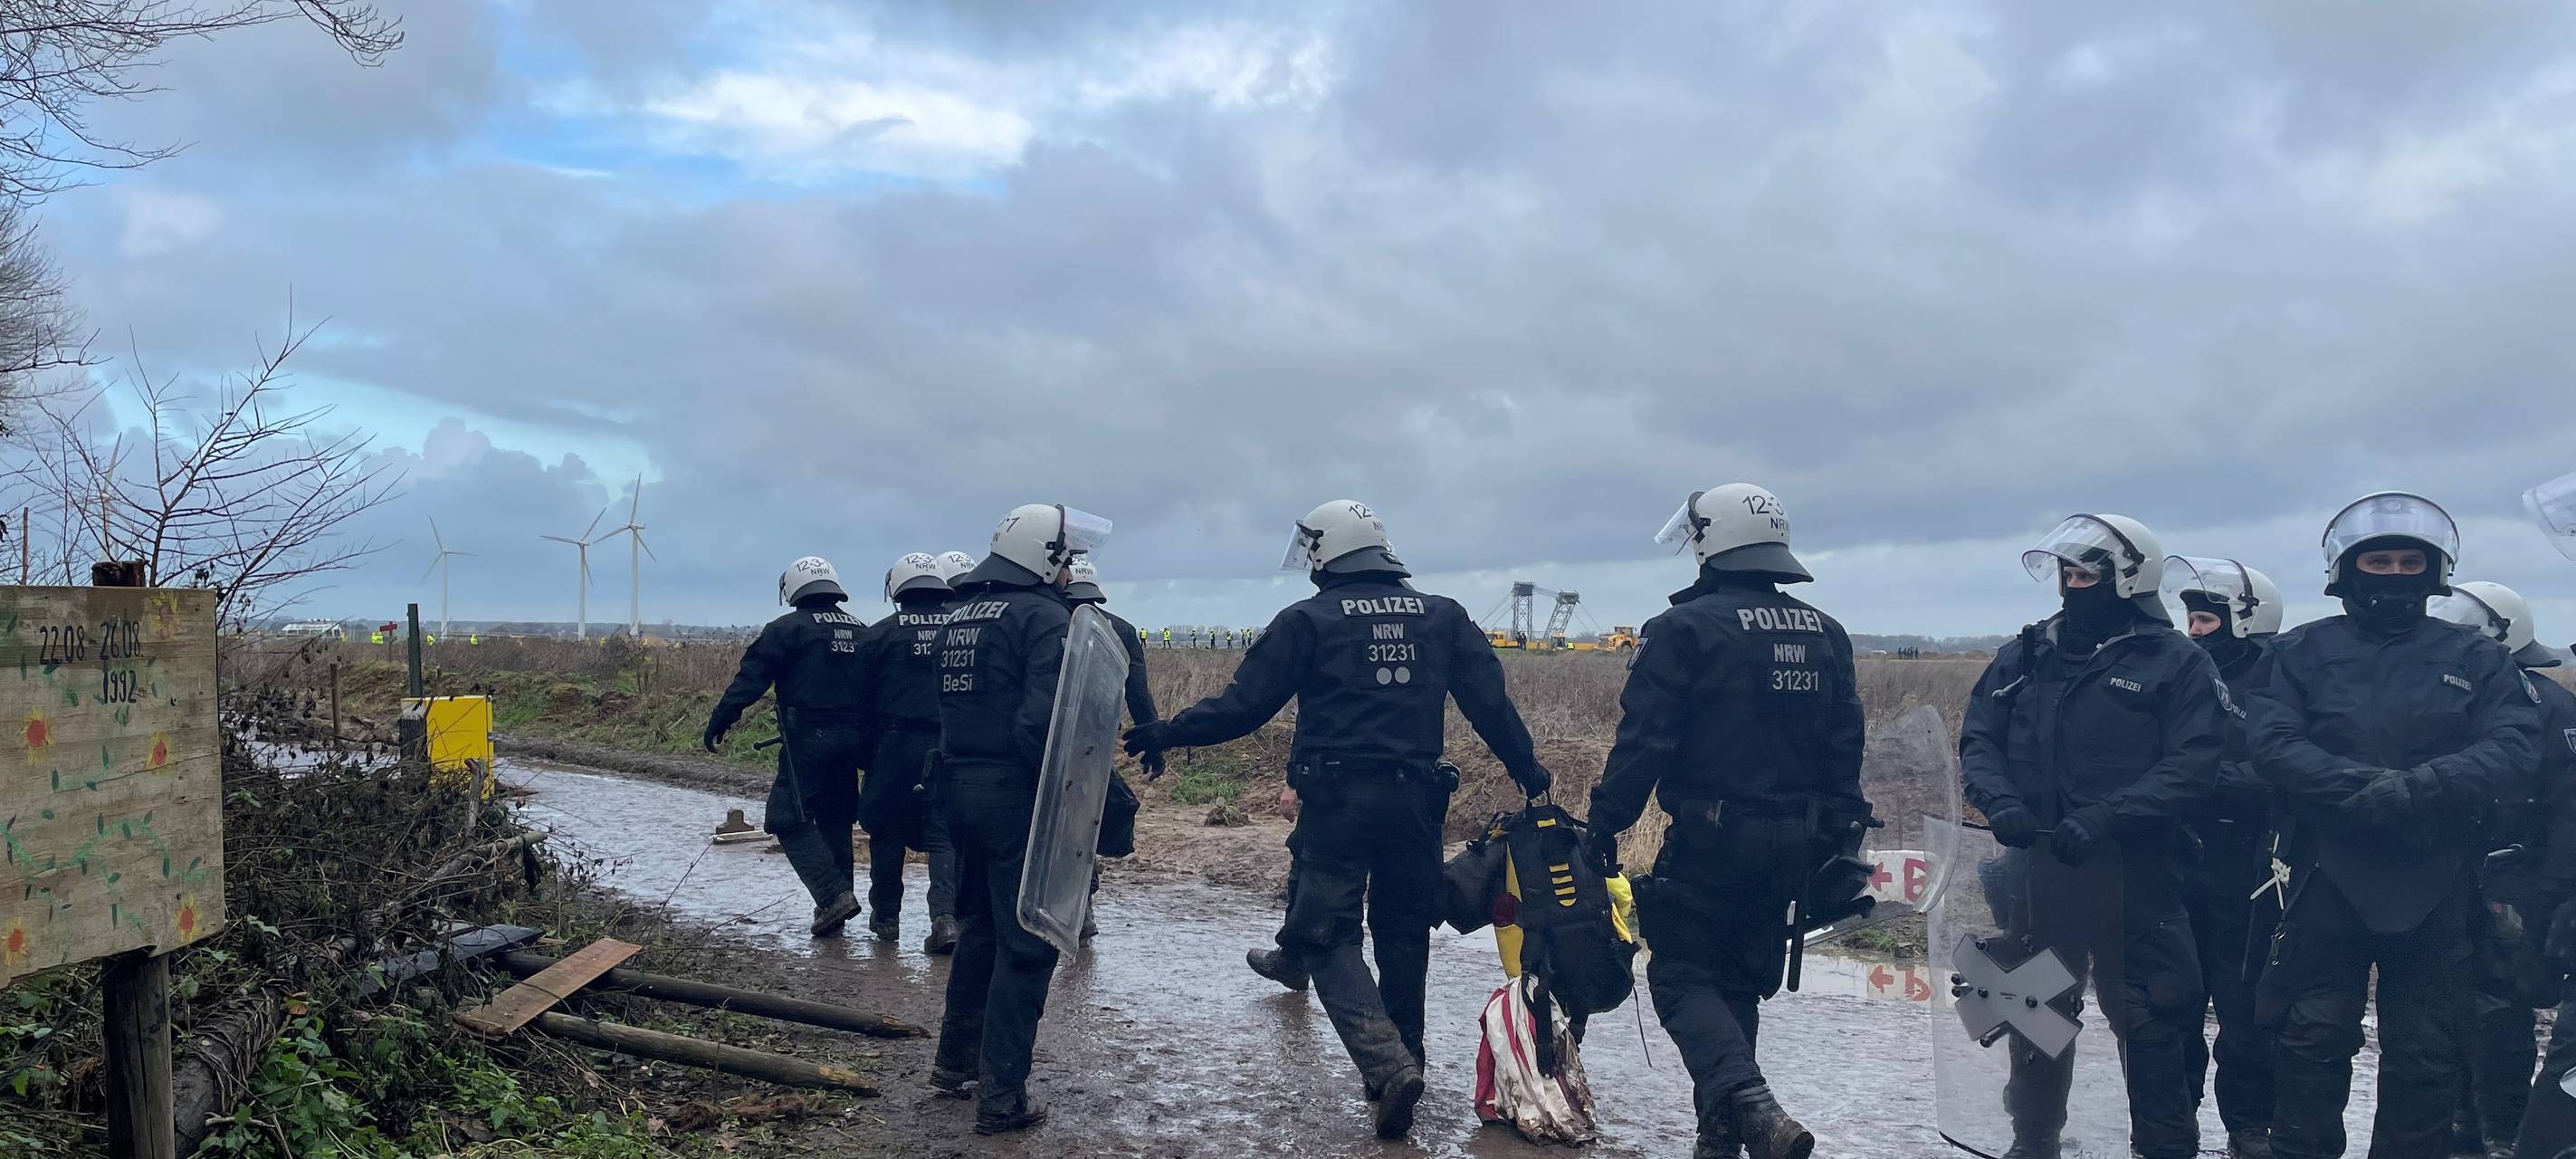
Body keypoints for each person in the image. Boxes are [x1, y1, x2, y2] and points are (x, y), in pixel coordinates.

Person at [1122, 500, 1551, 1140]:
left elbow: (1245, 706)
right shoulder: (1442, 615)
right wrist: (1529, 771)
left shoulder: (1307, 619)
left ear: (1323, 553)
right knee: (1405, 934)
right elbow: (1489, 702)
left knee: (1324, 935)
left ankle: (1385, 1065)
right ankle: (1409, 1061)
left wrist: (1166, 731)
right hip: (1416, 801)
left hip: (1337, 802)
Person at [2244, 492, 2541, 1159]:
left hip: (2437, 881)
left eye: (2412, 561)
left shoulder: (2476, 656)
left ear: (2435, 572)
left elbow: (2515, 743)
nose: (2396, 573)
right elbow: (2270, 742)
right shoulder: (2300, 652)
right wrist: (2359, 789)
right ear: (2348, 570)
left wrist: (2421, 788)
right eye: (2380, 559)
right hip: (2325, 873)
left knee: (2427, 1055)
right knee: (2310, 1040)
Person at [1584, 484, 1865, 1159]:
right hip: (1797, 843)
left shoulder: (1683, 630)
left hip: (1714, 839)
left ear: (1713, 541)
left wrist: (1603, 826)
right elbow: (1845, 746)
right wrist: (1837, 839)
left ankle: (1750, 1107)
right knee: (1736, 984)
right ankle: (1723, 1142)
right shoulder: (1825, 632)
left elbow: (1644, 742)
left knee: (1680, 975)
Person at [1959, 513, 2226, 1159]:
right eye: (2067, 574)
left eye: (2087, 575)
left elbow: (2193, 766)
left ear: (2131, 581)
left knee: (2151, 1017)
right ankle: (2033, 1141)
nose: (2073, 587)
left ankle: (2162, 1147)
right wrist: (2001, 803)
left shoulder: (2177, 663)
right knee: (2032, 1006)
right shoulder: (2025, 655)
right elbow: (1978, 740)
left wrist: (2109, 816)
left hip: (2137, 874)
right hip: (2039, 870)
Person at [929, 503, 1109, 1134]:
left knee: (980, 927)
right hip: (1017, 795)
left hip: (959, 789)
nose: (1070, 571)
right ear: (1046, 557)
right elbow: (1045, 725)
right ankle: (1002, 1100)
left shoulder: (961, 617)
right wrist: (1088, 794)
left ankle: (954, 1063)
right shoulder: (1042, 618)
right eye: (1066, 559)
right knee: (1029, 944)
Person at [2429, 582, 2571, 1159]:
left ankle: (2503, 1129)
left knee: (2499, 1005)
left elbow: (2568, 809)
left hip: (2517, 876)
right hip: (2452, 871)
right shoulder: (2448, 695)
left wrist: (2557, 892)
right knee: (2442, 1001)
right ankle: (2461, 1126)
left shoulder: (2548, 705)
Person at [2165, 556, 2286, 1159]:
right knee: (2170, 999)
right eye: (2189, 618)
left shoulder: (2280, 682)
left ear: (2246, 620)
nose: (2194, 631)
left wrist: (2203, 779)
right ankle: (2168, 1119)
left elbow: (2289, 768)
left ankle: (2249, 1123)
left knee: (2246, 1008)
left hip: (2249, 865)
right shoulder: (2176, 676)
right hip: (2174, 857)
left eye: (2206, 620)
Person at [703, 556, 873, 936]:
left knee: (785, 817)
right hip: (855, 740)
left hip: (808, 738)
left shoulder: (787, 629)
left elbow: (751, 680)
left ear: (793, 589)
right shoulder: (861, 630)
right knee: (836, 820)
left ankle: (832, 897)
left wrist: (722, 719)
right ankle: (835, 908)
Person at [849, 552, 956, 944]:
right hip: (949, 744)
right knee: (945, 833)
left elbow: (858, 703)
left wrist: (865, 756)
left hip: (892, 747)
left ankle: (886, 919)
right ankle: (946, 920)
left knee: (887, 831)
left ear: (897, 589)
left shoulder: (877, 636)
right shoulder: (961, 630)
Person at [1064, 557, 1163, 942]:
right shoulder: (1121, 629)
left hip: (1050, 742)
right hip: (1095, 745)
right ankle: (1082, 907)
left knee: (1065, 822)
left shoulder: (1049, 622)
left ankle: (1078, 904)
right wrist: (1154, 743)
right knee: (1082, 820)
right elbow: (1139, 695)